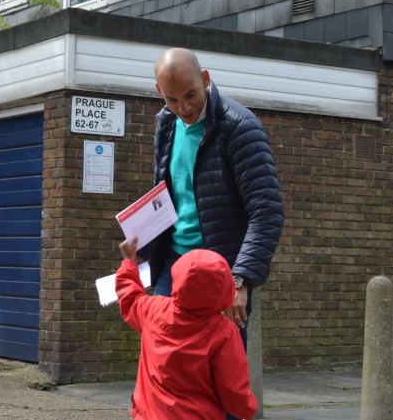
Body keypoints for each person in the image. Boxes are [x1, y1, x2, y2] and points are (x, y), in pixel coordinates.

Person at [137, 48, 284, 348]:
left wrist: (241, 279)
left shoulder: (240, 127)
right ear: (159, 92)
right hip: (175, 265)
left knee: (222, 372)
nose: (183, 107)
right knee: (161, 355)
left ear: (205, 78)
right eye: (172, 99)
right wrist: (141, 253)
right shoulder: (166, 123)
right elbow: (167, 193)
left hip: (222, 274)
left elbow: (266, 211)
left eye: (190, 94)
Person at [116, 238, 258, 420]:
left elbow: (128, 296)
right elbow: (232, 387)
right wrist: (247, 410)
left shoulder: (153, 309)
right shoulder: (225, 331)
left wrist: (129, 261)